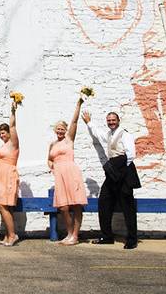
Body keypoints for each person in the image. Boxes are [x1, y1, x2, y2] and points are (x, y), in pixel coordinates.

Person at [82, 110, 141, 249]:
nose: (111, 122)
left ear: (118, 120)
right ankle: (107, 236)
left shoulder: (125, 134)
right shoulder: (109, 134)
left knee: (128, 206)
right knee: (104, 202)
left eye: (113, 120)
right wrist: (89, 122)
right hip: (113, 171)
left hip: (123, 170)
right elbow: (98, 134)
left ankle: (132, 239)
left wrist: (122, 172)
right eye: (109, 120)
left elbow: (131, 154)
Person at [48, 96, 88, 245]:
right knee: (64, 207)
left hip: (71, 172)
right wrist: (50, 165)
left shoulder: (69, 139)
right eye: (58, 129)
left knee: (76, 204)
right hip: (59, 175)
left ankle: (75, 236)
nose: (60, 131)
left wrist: (78, 104)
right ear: (55, 130)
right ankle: (69, 233)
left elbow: (75, 122)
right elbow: (49, 159)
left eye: (62, 129)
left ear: (65, 130)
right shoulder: (52, 144)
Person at [0, 103, 20, 246]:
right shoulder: (3, 145)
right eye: (0, 134)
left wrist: (13, 110)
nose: (2, 135)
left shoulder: (13, 144)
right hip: (0, 176)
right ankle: (9, 235)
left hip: (8, 175)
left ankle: (12, 235)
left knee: (4, 205)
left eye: (4, 133)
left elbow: (13, 126)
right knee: (3, 206)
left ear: (9, 133)